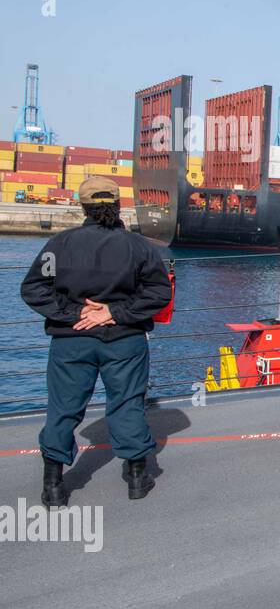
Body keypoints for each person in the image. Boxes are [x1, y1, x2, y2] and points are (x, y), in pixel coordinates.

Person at [20, 177, 173, 506]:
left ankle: (53, 485)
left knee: (63, 409)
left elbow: (33, 289)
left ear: (82, 206)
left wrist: (75, 313)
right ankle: (136, 476)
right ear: (119, 205)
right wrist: (113, 312)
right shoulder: (140, 247)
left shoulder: (60, 245)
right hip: (125, 341)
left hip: (70, 341)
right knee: (127, 403)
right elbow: (160, 293)